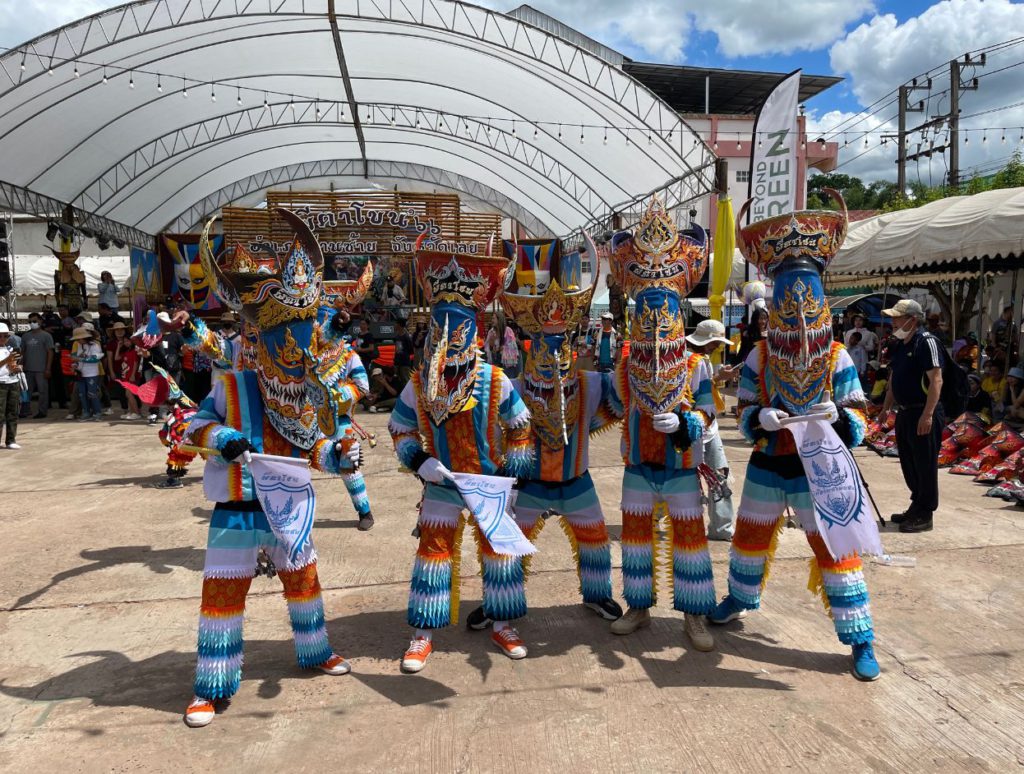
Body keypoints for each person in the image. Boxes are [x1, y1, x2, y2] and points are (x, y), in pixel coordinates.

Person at [180, 210, 358, 728]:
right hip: (236, 507)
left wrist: (338, 458)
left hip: (291, 508)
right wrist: (222, 438)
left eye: (304, 346)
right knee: (222, 595)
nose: (297, 357)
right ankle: (210, 685)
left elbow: (315, 449)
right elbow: (194, 426)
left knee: (304, 583)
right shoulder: (233, 386)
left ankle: (315, 650)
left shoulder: (306, 391)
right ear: (263, 342)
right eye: (288, 347)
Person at [710, 193, 880, 682]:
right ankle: (739, 599)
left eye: (806, 297)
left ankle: (860, 636)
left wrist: (840, 419)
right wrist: (759, 419)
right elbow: (742, 412)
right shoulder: (760, 358)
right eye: (787, 300)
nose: (799, 314)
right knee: (747, 540)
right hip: (768, 465)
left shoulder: (838, 359)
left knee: (835, 550)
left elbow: (860, 423)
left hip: (819, 470)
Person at [463, 243, 623, 632]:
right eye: (545, 347)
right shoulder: (514, 385)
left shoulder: (589, 383)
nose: (554, 357)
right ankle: (498, 602)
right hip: (529, 483)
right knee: (505, 543)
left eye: (562, 345)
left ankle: (597, 592)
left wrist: (634, 345)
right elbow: (485, 417)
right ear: (529, 350)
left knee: (595, 538)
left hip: (576, 481)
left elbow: (620, 398)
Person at [388, 246, 533, 674]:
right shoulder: (418, 382)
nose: (450, 335)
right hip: (441, 485)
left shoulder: (495, 379)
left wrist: (512, 475)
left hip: (489, 484)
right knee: (433, 553)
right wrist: (417, 461)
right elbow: (399, 428)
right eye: (441, 326)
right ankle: (422, 634)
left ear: (475, 331)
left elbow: (521, 430)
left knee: (499, 553)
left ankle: (502, 622)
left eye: (460, 327)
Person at [603, 199, 718, 652]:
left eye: (662, 314)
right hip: (638, 465)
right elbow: (612, 403)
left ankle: (695, 613)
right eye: (645, 314)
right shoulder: (626, 360)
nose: (653, 324)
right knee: (635, 538)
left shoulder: (694, 363)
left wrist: (686, 422)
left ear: (678, 316)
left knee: (689, 538)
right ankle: (639, 605)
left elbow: (709, 412)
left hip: (681, 466)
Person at [880, 298, 943, 534]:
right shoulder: (900, 344)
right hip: (904, 413)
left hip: (922, 411)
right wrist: (886, 407)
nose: (893, 321)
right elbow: (894, 380)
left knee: (925, 464)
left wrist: (927, 415)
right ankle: (916, 505)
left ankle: (925, 513)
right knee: (909, 462)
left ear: (912, 320)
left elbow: (937, 380)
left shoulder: (926, 342)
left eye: (897, 317)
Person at [685, 319, 738, 541]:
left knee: (720, 476)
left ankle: (722, 528)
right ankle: (684, 523)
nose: (717, 346)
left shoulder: (703, 360)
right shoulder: (688, 361)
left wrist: (719, 378)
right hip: (693, 430)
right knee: (684, 481)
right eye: (715, 342)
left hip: (710, 430)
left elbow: (704, 388)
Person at [20, 312, 54, 418]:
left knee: (42, 391)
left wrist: (48, 368)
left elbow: (50, 352)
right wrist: (21, 365)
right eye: (30, 322)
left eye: (34, 321)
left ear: (40, 321)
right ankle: (25, 410)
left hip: (41, 369)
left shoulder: (46, 336)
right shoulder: (25, 336)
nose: (32, 323)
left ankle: (42, 411)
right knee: (26, 391)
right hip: (28, 369)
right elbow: (22, 352)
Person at [71, 326, 104, 421]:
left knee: (92, 393)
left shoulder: (95, 346)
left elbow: (95, 359)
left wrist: (80, 359)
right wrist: (75, 364)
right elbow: (78, 359)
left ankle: (97, 412)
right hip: (81, 373)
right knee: (82, 394)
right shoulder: (80, 346)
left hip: (92, 373)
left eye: (78, 338)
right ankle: (86, 412)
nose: (77, 340)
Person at [0, 323, 22, 448]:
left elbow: (11, 366)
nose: (3, 338)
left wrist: (16, 367)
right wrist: (6, 361)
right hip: (1, 383)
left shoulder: (8, 349)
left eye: (6, 336)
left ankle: (11, 440)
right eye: (0, 336)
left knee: (13, 412)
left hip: (12, 382)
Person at [485, 310, 521, 378]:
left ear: (499, 319)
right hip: (496, 360)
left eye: (493, 318)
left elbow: (513, 347)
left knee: (507, 380)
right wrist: (491, 344)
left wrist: (503, 348)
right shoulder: (491, 332)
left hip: (506, 362)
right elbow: (489, 349)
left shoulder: (508, 331)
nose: (492, 320)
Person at [392, 319, 415, 384]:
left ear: (399, 325)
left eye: (396, 324)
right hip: (397, 362)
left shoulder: (407, 337)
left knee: (406, 380)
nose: (394, 326)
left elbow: (411, 350)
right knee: (399, 380)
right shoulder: (396, 337)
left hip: (404, 363)